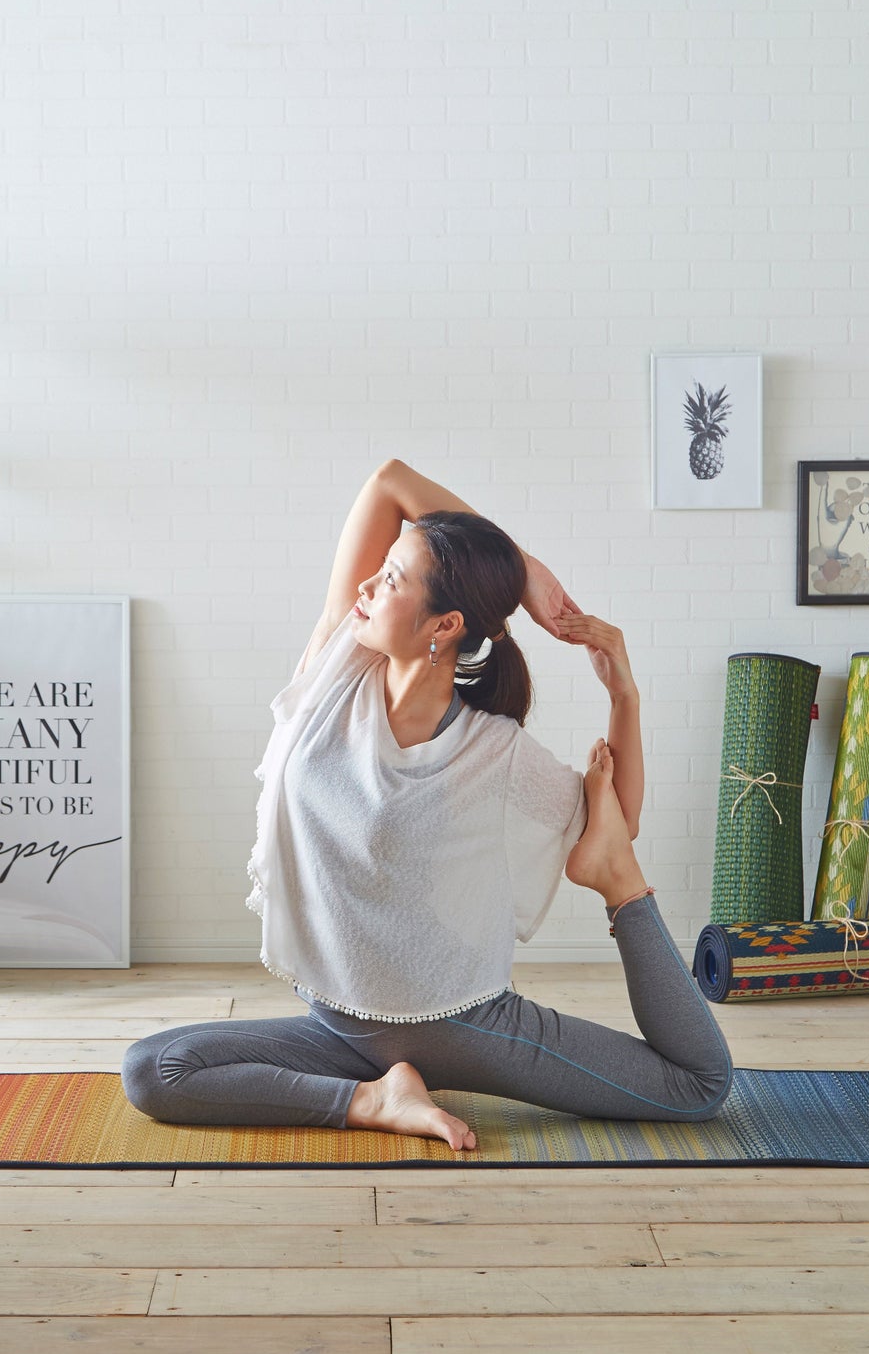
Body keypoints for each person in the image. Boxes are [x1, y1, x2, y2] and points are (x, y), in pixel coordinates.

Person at [122, 459, 732, 1150]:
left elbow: (619, 822)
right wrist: (524, 570)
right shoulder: (336, 668)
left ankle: (622, 897)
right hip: (340, 1026)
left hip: (464, 1026)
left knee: (697, 1086)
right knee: (153, 1069)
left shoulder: (493, 751)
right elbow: (387, 482)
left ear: (443, 624)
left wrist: (624, 697)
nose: (365, 585)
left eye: (390, 579)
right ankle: (375, 1100)